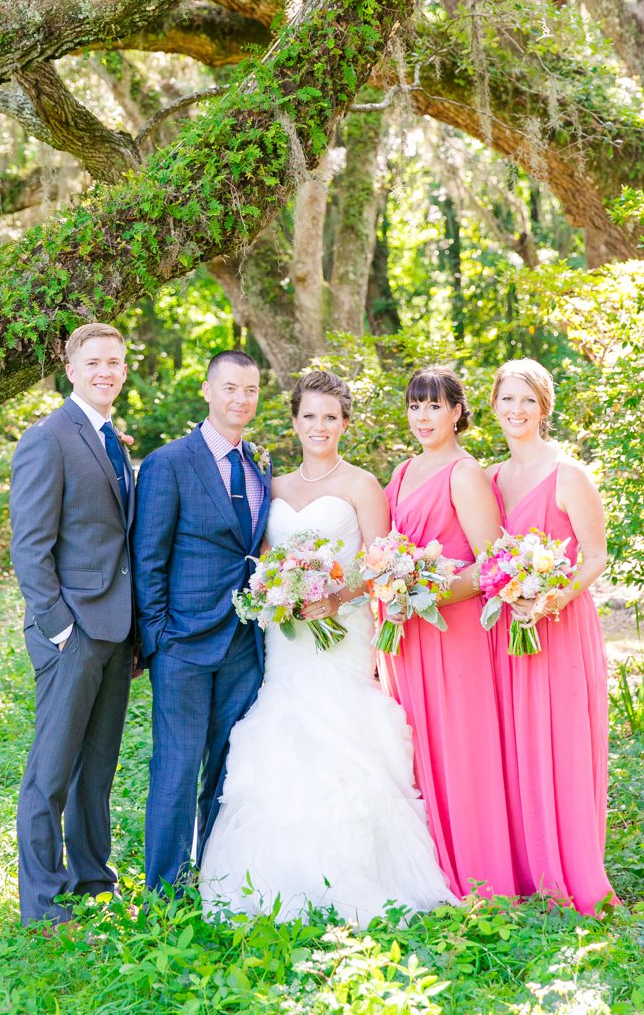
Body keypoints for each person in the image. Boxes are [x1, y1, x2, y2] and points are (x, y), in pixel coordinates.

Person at [199, 370, 455, 924]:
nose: (319, 427)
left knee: (342, 736)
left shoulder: (363, 484)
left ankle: (360, 875)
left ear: (344, 424)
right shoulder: (275, 486)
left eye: (330, 418)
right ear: (294, 421)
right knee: (282, 731)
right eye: (309, 416)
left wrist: (336, 596)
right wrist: (279, 590)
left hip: (343, 633)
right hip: (287, 636)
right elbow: (266, 558)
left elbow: (381, 560)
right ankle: (276, 877)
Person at [131, 351, 271, 893]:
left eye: (251, 390)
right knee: (176, 767)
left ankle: (209, 875)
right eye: (231, 388)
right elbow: (148, 558)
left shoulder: (257, 463)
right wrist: (159, 637)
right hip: (183, 642)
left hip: (242, 641)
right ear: (208, 391)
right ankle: (164, 891)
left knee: (225, 768)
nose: (241, 399)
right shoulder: (169, 463)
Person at [10, 322, 135, 927]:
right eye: (94, 362)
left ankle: (93, 880)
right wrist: (60, 628)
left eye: (114, 360)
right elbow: (30, 546)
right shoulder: (49, 438)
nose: (105, 370)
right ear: (71, 369)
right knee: (51, 772)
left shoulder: (113, 439)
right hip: (74, 634)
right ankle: (42, 901)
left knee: (98, 767)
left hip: (116, 631)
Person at [487, 357, 616, 915]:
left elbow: (597, 557)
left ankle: (573, 870)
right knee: (516, 744)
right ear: (492, 406)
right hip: (509, 627)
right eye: (507, 399)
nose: (516, 411)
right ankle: (524, 865)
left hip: (559, 626)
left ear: (544, 407)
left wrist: (555, 597)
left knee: (559, 742)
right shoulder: (490, 478)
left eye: (527, 401)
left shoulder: (569, 473)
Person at [382, 366, 516, 899]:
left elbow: (491, 564)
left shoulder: (464, 473)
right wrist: (390, 593)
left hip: (452, 631)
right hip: (407, 634)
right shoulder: (402, 471)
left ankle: (479, 875)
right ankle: (429, 869)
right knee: (417, 749)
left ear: (458, 413)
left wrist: (422, 595)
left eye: (435, 406)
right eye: (415, 406)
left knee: (459, 748)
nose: (423, 416)